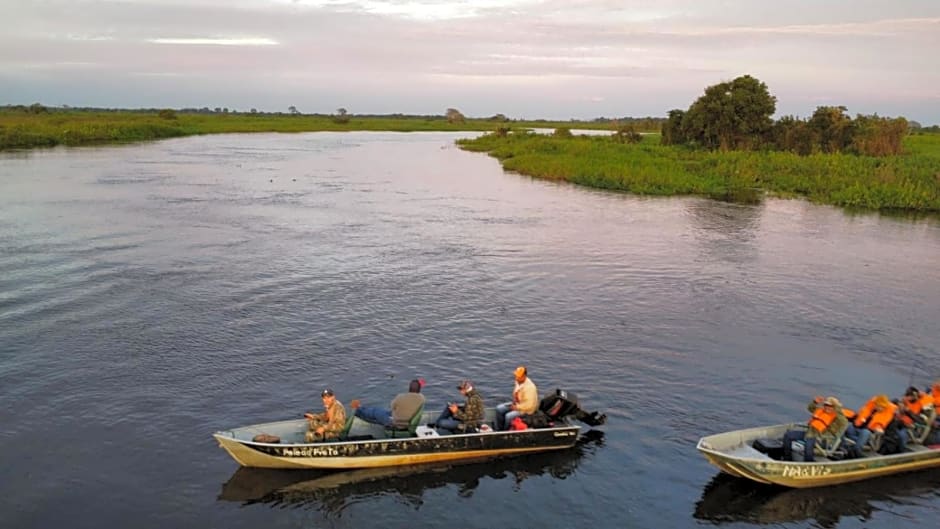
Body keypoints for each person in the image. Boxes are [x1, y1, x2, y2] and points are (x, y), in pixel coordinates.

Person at [781, 396, 848, 462]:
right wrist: (815, 402)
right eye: (826, 405)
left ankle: (808, 462)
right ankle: (787, 458)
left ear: (835, 407)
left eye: (830, 406)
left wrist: (838, 408)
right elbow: (810, 408)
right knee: (788, 435)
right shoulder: (820, 411)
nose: (827, 407)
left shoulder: (837, 418)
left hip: (822, 438)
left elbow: (844, 422)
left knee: (809, 442)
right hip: (809, 434)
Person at [351, 378, 426, 428]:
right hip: (405, 420)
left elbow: (392, 406)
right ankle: (360, 408)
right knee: (379, 411)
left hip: (395, 422)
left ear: (409, 388)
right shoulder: (422, 398)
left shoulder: (401, 397)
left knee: (376, 411)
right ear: (419, 389)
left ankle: (358, 409)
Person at [495, 366, 539, 431]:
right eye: (516, 376)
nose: (516, 378)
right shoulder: (518, 382)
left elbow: (529, 406)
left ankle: (505, 432)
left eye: (518, 376)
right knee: (499, 408)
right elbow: (516, 393)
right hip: (518, 404)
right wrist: (514, 403)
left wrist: (516, 407)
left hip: (526, 410)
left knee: (509, 416)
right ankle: (499, 429)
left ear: (524, 376)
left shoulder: (530, 388)